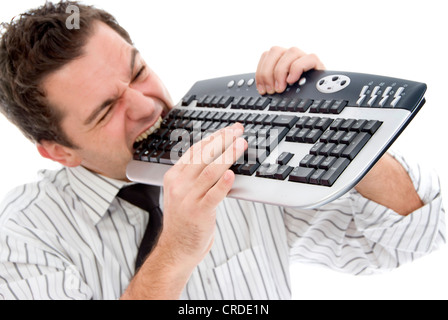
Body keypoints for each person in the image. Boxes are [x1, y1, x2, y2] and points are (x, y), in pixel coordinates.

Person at [0, 1, 445, 300]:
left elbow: (412, 238)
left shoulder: (236, 147)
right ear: (59, 152)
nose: (146, 106)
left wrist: (328, 124)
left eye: (137, 73)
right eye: (104, 111)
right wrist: (177, 249)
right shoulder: (22, 236)